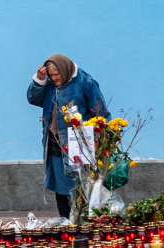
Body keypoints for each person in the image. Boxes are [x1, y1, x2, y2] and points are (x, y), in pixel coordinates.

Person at [27, 53, 109, 219]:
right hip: (55, 143)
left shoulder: (85, 82)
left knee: (81, 184)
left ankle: (83, 221)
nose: (55, 78)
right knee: (60, 185)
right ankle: (65, 220)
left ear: (65, 70)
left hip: (79, 144)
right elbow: (33, 98)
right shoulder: (48, 82)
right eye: (51, 75)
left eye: (57, 75)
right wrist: (40, 80)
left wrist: (102, 140)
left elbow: (101, 113)